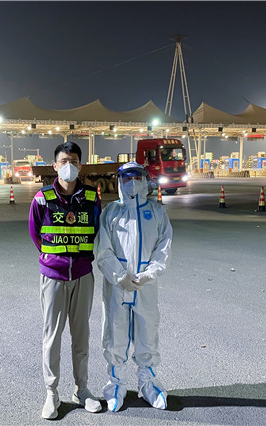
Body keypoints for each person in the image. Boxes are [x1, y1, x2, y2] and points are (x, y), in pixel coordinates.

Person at [28, 142, 102, 419]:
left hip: (82, 275)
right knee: (52, 337)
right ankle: (51, 393)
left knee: (81, 335)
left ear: (80, 165)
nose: (68, 165)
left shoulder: (92, 198)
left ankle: (82, 389)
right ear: (54, 165)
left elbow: (96, 230)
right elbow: (36, 233)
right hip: (54, 277)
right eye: (63, 161)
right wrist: (54, 259)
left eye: (73, 161)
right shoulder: (43, 198)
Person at [95, 161, 173, 412]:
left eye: (136, 178)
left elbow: (163, 247)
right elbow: (103, 250)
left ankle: (148, 383)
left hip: (145, 287)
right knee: (114, 333)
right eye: (126, 178)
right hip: (117, 286)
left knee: (147, 332)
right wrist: (119, 277)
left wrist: (150, 273)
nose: (131, 183)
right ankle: (115, 384)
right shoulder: (111, 212)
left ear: (144, 181)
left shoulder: (156, 212)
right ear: (120, 181)